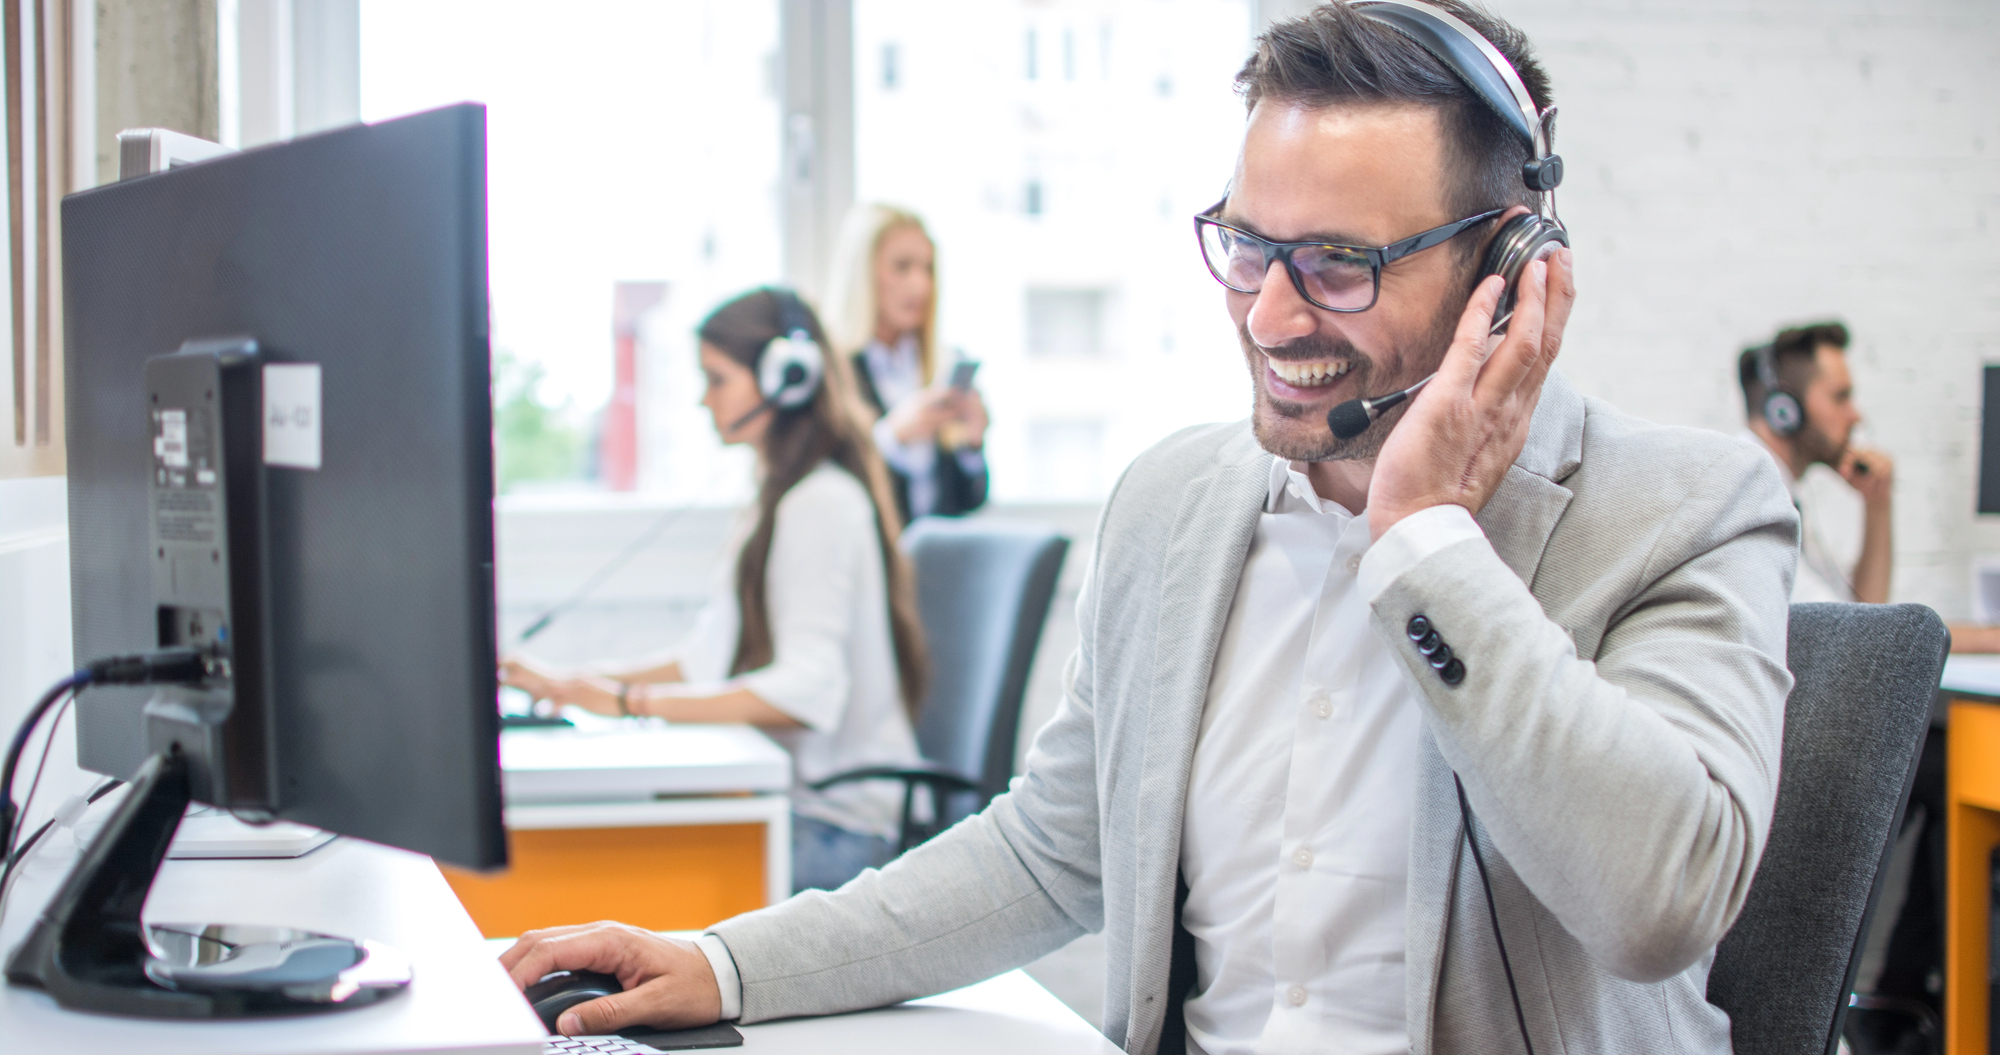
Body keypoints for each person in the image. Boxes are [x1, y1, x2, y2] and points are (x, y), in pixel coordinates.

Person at [500, 5, 1799, 1052]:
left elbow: (1658, 901)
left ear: (1506, 273)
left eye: (1338, 264)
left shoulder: (1684, 509)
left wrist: (1425, 539)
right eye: (1246, 245)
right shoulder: (1177, 502)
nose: (1271, 317)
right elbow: (1050, 846)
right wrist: (725, 960)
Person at [501, 287, 928, 894]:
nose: (704, 399)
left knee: (620, 882)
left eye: (717, 379)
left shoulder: (821, 505)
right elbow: (707, 658)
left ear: (787, 380)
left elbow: (805, 691)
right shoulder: (777, 500)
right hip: (798, 808)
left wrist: (630, 703)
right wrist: (575, 685)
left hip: (840, 832)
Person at [824, 203, 990, 524]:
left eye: (927, 269)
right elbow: (831, 492)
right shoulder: (832, 372)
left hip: (936, 562)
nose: (921, 285)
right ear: (862, 273)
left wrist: (971, 443)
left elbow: (970, 499)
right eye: (902, 267)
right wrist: (890, 438)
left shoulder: (942, 364)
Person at [1737, 321, 1896, 603]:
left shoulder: (1780, 493)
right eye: (1840, 397)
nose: (1855, 416)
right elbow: (1850, 638)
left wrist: (1877, 503)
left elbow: (1866, 623)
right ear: (1785, 411)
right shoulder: (1749, 494)